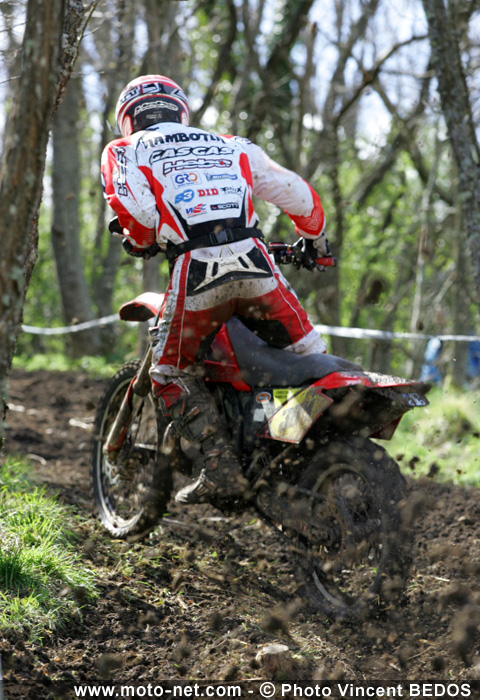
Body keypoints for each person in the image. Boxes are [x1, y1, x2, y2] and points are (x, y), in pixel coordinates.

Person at [101, 74, 331, 505]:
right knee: (314, 361)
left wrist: (140, 239)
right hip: (259, 266)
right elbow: (300, 195)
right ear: (181, 111)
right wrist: (315, 241)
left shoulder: (124, 149)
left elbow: (139, 218)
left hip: (196, 270)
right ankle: (289, 438)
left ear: (128, 119)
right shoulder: (233, 145)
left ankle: (221, 469)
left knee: (168, 373)